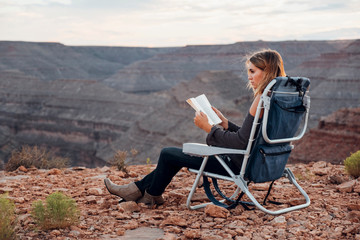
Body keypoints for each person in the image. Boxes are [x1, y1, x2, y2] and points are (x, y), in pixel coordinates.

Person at [104, 49, 287, 207]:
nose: (249, 76)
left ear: (267, 71)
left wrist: (209, 128)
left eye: (253, 71)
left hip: (240, 167)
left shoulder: (261, 99)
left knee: (169, 154)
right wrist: (226, 124)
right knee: (173, 156)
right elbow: (256, 136)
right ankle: (147, 194)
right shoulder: (281, 97)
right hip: (266, 163)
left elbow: (241, 143)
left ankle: (143, 193)